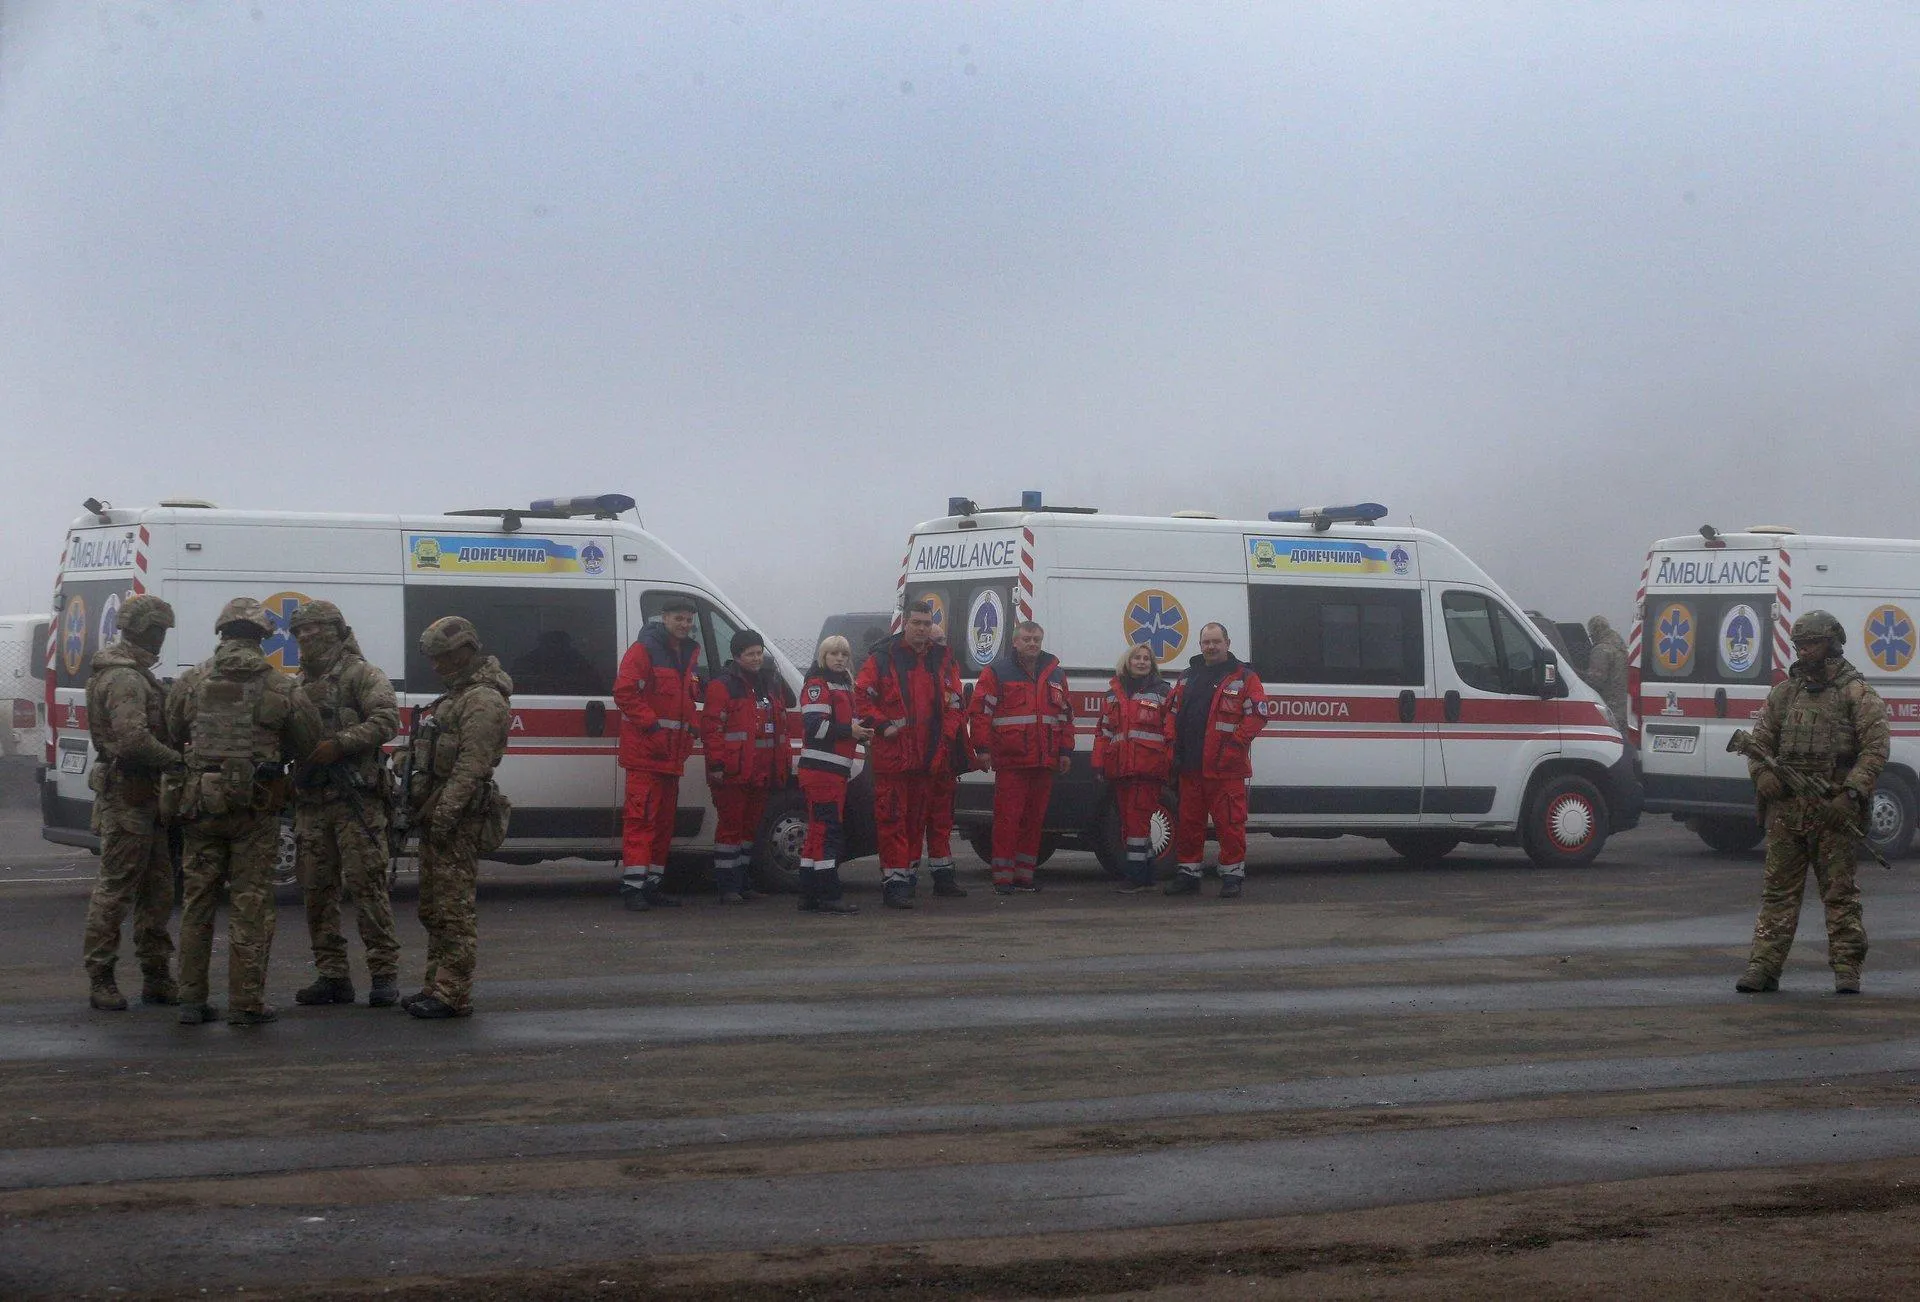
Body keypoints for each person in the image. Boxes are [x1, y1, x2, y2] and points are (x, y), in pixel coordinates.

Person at [166, 598, 325, 1026]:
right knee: (251, 903)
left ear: (222, 632)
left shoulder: (192, 681)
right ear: (262, 637)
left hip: (201, 802)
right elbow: (310, 743)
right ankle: (246, 1003)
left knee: (198, 901)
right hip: (256, 807)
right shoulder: (281, 685)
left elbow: (170, 731)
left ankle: (191, 1001)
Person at [1736, 609, 1888, 996]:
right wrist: (1763, 775)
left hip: (1832, 810)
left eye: (1813, 644)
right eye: (1800, 645)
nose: (1805, 652)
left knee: (1839, 894)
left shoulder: (1856, 693)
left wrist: (1852, 792)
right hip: (1788, 811)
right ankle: (1764, 967)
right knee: (1777, 894)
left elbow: (1875, 749)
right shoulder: (1785, 693)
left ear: (1833, 643)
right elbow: (1760, 742)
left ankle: (1847, 969)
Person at [287, 600, 402, 1009]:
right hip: (312, 802)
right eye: (299, 632)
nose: (305, 638)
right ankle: (332, 975)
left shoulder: (362, 674)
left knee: (367, 887)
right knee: (316, 890)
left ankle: (384, 974)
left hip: (356, 802)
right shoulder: (296, 683)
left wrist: (339, 745)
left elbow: (388, 719)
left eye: (313, 630)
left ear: (336, 631)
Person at [401, 616, 513, 1019]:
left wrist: (445, 814)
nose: (437, 666)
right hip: (438, 815)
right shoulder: (455, 697)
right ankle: (435, 984)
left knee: (454, 909)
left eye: (443, 657)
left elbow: (471, 766)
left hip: (458, 819)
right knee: (434, 907)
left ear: (465, 651)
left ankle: (453, 993)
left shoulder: (482, 700)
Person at [80, 594, 182, 1011]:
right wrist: (178, 760)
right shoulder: (125, 678)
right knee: (117, 890)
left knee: (158, 891)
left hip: (146, 797)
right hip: (130, 797)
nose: (161, 640)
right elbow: (132, 739)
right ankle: (101, 977)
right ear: (146, 630)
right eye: (159, 631)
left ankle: (156, 976)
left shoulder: (132, 673)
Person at [856, 601, 964, 909]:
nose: (921, 628)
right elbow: (861, 697)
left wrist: (946, 736)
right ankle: (894, 885)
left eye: (926, 623)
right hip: (894, 757)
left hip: (930, 757)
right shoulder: (882, 658)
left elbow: (956, 702)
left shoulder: (940, 659)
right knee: (892, 820)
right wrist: (882, 726)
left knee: (917, 821)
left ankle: (908, 881)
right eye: (916, 622)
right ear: (905, 623)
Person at [969, 620, 1073, 894]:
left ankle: (1024, 875)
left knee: (1034, 820)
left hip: (1044, 759)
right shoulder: (997, 672)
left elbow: (1064, 716)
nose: (1032, 643)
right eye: (1027, 639)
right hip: (1012, 759)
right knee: (1007, 820)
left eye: (1037, 639)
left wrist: (1065, 750)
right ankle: (1003, 877)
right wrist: (982, 749)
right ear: (1015, 642)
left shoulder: (1055, 674)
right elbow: (981, 712)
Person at [1165, 622, 1267, 899]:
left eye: (1216, 641)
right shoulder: (1188, 676)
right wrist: (1172, 746)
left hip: (1226, 769)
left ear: (1227, 643)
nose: (1211, 647)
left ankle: (1232, 876)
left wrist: (1235, 746)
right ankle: (1188, 875)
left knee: (1230, 825)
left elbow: (1257, 716)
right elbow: (1172, 712)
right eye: (1206, 642)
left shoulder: (1245, 677)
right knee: (1189, 825)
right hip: (1190, 767)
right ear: (1200, 645)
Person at [613, 595, 702, 911]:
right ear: (663, 618)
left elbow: (685, 701)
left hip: (671, 756)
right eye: (679, 618)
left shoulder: (686, 654)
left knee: (664, 824)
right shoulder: (643, 650)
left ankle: (652, 885)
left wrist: (693, 726)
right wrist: (652, 727)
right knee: (642, 820)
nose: (685, 624)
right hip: (646, 754)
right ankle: (632, 888)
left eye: (689, 619)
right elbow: (624, 692)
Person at [701, 629, 790, 905]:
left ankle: (743, 882)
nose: (756, 658)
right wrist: (716, 764)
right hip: (732, 771)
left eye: (759, 653)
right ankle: (728, 885)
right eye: (750, 654)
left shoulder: (769, 684)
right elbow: (712, 728)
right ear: (737, 656)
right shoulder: (722, 686)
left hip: (761, 771)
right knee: (730, 828)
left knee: (750, 830)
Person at [1093, 642, 1174, 894]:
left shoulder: (1163, 692)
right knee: (1129, 822)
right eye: (1136, 658)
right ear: (1127, 662)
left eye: (1146, 659)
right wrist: (1098, 763)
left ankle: (1136, 877)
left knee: (1137, 822)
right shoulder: (1112, 694)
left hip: (1148, 768)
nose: (1141, 662)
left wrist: (1169, 762)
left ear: (1152, 664)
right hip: (1120, 769)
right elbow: (1104, 731)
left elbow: (1171, 730)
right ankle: (1147, 874)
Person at [796, 634, 868, 914]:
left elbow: (840, 726)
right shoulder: (817, 685)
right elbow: (815, 727)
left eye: (844, 654)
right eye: (834, 654)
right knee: (827, 831)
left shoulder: (843, 685)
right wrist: (850, 731)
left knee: (818, 831)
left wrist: (859, 734)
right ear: (823, 656)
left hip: (833, 770)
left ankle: (809, 892)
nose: (839, 658)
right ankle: (828, 892)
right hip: (822, 771)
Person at [921, 622, 969, 898]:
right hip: (921, 756)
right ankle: (905, 878)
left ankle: (944, 877)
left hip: (945, 758)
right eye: (934, 641)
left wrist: (948, 740)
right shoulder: (916, 668)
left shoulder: (949, 667)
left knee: (942, 821)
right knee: (913, 823)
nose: (939, 645)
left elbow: (955, 709)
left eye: (941, 640)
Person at [1585, 615, 1631, 733]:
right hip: (1623, 707)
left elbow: (1595, 681)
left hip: (1609, 708)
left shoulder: (1601, 650)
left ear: (1595, 632)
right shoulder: (1621, 647)